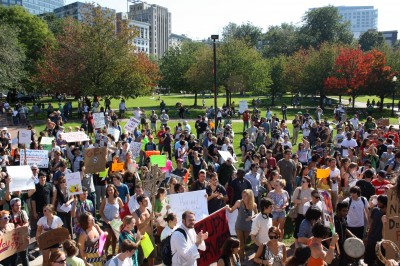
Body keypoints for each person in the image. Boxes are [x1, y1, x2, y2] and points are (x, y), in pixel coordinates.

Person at [226, 189, 258, 260]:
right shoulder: (239, 202)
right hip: (239, 225)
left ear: (250, 196)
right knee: (241, 242)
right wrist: (228, 208)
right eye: (243, 195)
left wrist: (251, 217)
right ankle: (241, 258)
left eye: (245, 196)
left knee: (244, 242)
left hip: (247, 226)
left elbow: (256, 214)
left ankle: (238, 254)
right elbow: (231, 210)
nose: (243, 197)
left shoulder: (254, 205)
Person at [100, 184, 124, 257]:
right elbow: (100, 212)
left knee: (114, 238)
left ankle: (113, 252)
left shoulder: (118, 199)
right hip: (106, 221)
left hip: (116, 221)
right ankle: (106, 251)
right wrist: (106, 220)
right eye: (108, 190)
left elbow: (123, 210)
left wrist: (119, 216)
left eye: (111, 190)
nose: (110, 191)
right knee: (108, 237)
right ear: (107, 191)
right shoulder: (105, 200)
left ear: (114, 190)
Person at [364, 195, 387, 266]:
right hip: (372, 241)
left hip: (382, 243)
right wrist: (368, 237)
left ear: (383, 203)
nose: (377, 203)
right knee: (369, 261)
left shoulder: (389, 214)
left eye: (379, 202)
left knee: (381, 262)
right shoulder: (375, 210)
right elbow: (371, 224)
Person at [292, 176, 313, 247]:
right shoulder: (298, 189)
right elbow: (293, 200)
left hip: (309, 214)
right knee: (298, 228)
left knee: (308, 229)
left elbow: (315, 201)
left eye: (303, 181)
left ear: (308, 183)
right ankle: (296, 245)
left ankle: (306, 244)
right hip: (300, 213)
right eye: (301, 181)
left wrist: (310, 201)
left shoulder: (312, 190)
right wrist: (301, 201)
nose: (302, 183)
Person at [9, 198, 29, 266]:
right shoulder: (9, 215)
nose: (19, 207)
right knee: (14, 258)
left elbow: (27, 223)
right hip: (12, 239)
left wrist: (21, 227)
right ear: (12, 206)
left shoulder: (23, 212)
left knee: (24, 256)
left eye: (20, 205)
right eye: (17, 205)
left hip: (22, 237)